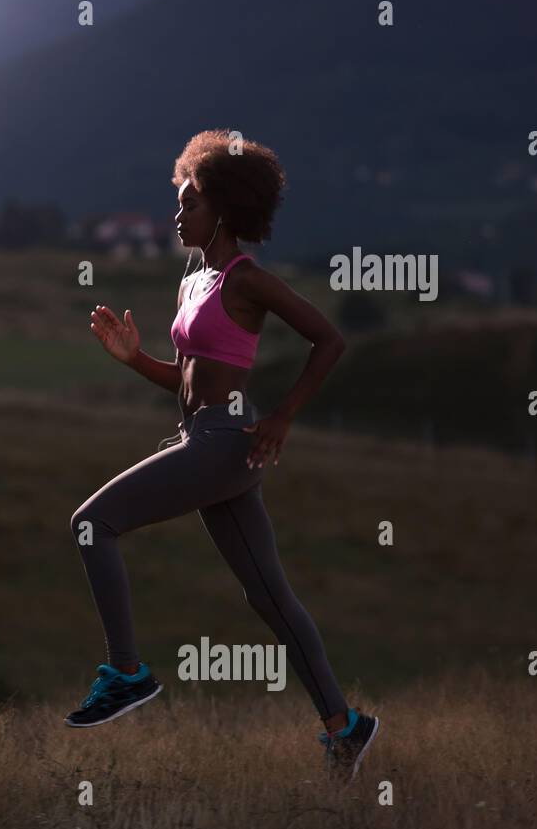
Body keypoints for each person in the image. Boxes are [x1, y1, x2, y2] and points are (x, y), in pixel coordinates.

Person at [65, 129, 381, 783]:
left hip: (225, 442)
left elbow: (329, 339)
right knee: (269, 597)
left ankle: (126, 673)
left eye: (189, 205)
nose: (178, 215)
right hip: (201, 440)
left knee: (91, 523)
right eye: (179, 204)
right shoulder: (193, 280)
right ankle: (345, 727)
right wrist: (134, 359)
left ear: (225, 210)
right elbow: (185, 378)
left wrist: (282, 417)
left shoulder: (248, 281)